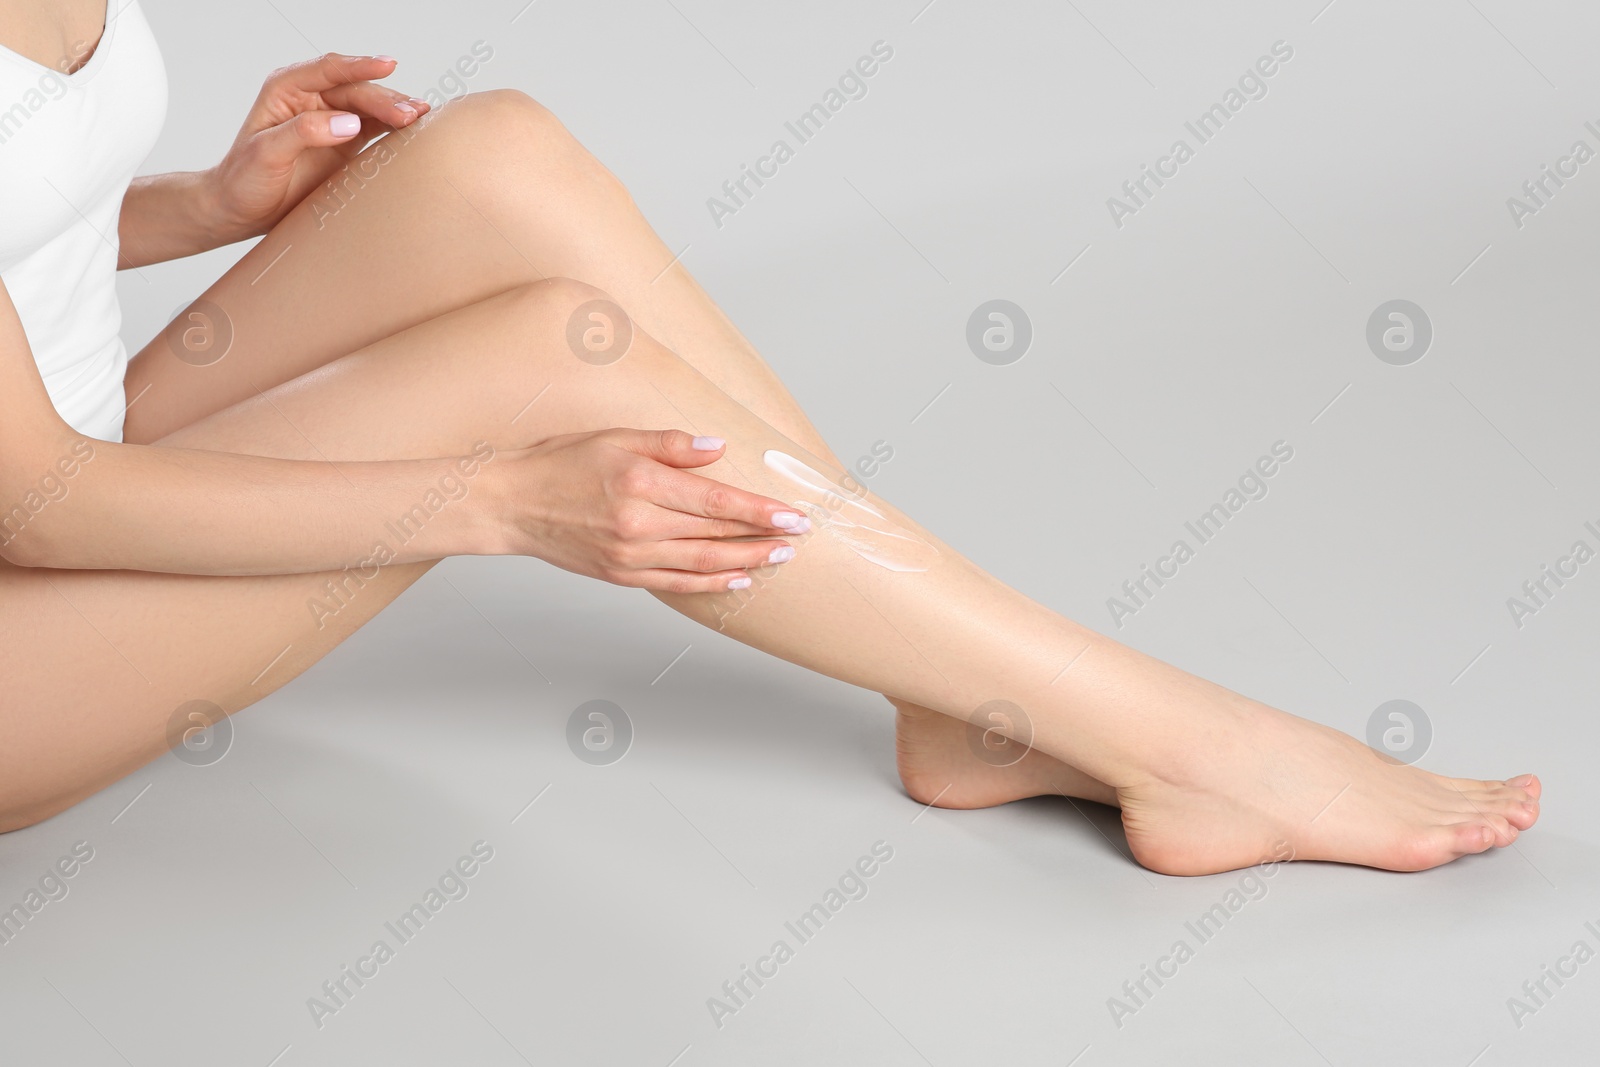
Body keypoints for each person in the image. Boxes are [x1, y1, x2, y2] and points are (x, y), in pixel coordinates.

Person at [0, 0, 1541, 874]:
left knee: (494, 157)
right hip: (29, 595)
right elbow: (44, 505)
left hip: (89, 435)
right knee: (538, 369)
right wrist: (503, 504)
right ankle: (1195, 753)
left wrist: (205, 208)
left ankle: (951, 692)